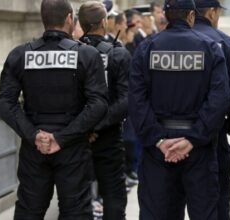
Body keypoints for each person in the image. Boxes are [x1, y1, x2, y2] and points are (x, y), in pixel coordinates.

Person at [0, 0, 108, 219]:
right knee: (76, 213)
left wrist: (34, 135)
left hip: (34, 147)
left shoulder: (20, 54)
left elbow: (4, 103)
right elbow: (99, 104)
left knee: (29, 210)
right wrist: (62, 138)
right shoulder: (86, 55)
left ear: (43, 18)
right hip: (73, 147)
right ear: (69, 18)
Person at [128, 0, 230, 219]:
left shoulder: (146, 47)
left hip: (158, 151)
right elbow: (218, 100)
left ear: (166, 15)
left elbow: (136, 100)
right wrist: (192, 139)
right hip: (199, 149)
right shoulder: (209, 47)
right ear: (191, 16)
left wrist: (159, 141)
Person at [78, 1, 130, 219]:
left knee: (76, 199)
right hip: (107, 137)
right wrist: (98, 125)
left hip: (76, 137)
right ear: (103, 22)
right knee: (114, 197)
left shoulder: (71, 54)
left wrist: (84, 127)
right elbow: (127, 100)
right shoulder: (118, 54)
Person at [193, 1, 230, 219]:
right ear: (212, 12)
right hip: (214, 135)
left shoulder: (159, 43)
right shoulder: (227, 44)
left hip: (169, 137)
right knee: (218, 197)